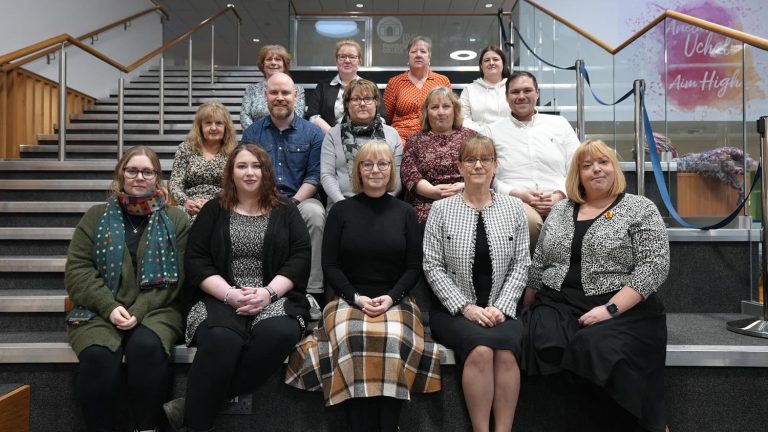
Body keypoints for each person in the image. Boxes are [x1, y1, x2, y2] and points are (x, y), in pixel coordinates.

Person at [286, 141, 441, 432]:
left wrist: (391, 298)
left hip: (397, 299)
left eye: (383, 163)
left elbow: (413, 267)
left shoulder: (405, 212)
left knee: (394, 337)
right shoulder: (341, 211)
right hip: (348, 298)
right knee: (352, 337)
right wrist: (356, 298)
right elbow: (330, 265)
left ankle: (389, 424)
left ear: (391, 170)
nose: (375, 170)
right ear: (358, 170)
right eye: (367, 164)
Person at [522, 139, 669, 432]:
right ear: (578, 175)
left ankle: (647, 424)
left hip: (623, 305)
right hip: (558, 301)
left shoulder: (639, 208)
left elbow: (654, 266)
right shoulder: (562, 209)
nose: (596, 170)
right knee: (540, 339)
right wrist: (526, 303)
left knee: (596, 348)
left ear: (614, 168)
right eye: (587, 165)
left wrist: (610, 309)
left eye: (602, 163)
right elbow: (539, 262)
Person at [164, 144, 311, 432]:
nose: (249, 172)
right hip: (220, 297)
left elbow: (300, 257)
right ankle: (198, 424)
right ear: (230, 171)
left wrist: (267, 293)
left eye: (256, 166)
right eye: (242, 165)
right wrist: (229, 294)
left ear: (266, 171)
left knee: (280, 333)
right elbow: (196, 260)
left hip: (274, 297)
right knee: (221, 341)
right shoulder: (213, 210)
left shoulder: (286, 210)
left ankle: (190, 405)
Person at [65, 146, 189, 432]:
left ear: (158, 178)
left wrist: (139, 309)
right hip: (99, 309)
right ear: (121, 174)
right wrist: (109, 308)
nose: (139, 177)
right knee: (97, 355)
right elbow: (78, 270)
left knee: (146, 347)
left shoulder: (176, 219)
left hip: (158, 307)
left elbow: (178, 277)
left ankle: (146, 427)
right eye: (132, 170)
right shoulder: (96, 217)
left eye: (147, 171)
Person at [423, 135, 530, 432]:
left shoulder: (514, 208)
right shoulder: (441, 210)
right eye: (470, 159)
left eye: (485, 159)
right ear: (459, 166)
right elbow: (432, 266)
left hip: (502, 307)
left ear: (496, 166)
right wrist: (466, 308)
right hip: (454, 311)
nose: (478, 165)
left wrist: (502, 306)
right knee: (481, 350)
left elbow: (522, 264)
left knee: (507, 351)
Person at [241, 72, 325, 296]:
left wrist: (292, 202)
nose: (280, 97)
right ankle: (257, 288)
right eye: (274, 92)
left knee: (316, 215)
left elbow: (314, 177)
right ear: (265, 96)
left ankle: (312, 292)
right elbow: (245, 174)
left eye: (285, 92)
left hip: (301, 200)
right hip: (260, 200)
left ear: (295, 96)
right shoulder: (252, 133)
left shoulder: (313, 133)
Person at [483, 71, 580, 251]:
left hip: (561, 198)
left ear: (537, 93)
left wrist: (560, 195)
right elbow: (486, 176)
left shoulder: (559, 124)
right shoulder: (491, 131)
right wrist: (516, 193)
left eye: (527, 90)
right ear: (506, 97)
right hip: (515, 202)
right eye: (515, 92)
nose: (521, 96)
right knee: (529, 223)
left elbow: (578, 166)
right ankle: (532, 277)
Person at [320, 79, 402, 208]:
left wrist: (384, 203)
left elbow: (396, 176)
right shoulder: (332, 135)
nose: (362, 104)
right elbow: (327, 175)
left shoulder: (392, 134)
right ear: (347, 103)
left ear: (376, 102)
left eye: (368, 98)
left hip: (384, 207)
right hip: (342, 204)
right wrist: (342, 203)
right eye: (356, 99)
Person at [400, 86, 476, 224]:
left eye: (446, 106)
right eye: (434, 107)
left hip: (467, 198)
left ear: (455, 110)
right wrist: (432, 191)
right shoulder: (414, 140)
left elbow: (485, 167)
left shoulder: (472, 137)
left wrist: (465, 187)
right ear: (426, 112)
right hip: (425, 203)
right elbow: (409, 173)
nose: (441, 112)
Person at [170, 101, 237, 221]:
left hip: (222, 204)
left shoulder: (234, 152)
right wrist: (186, 202)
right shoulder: (185, 148)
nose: (213, 128)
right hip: (189, 204)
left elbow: (237, 186)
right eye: (208, 123)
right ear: (200, 126)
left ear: (226, 127)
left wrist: (213, 203)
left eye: (219, 123)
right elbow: (175, 183)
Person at [305, 39, 387, 134]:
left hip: (366, 139)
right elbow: (312, 115)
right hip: (329, 138)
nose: (347, 61)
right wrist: (332, 134)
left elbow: (382, 117)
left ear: (359, 62)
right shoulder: (323, 87)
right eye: (342, 57)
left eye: (352, 57)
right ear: (336, 61)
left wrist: (365, 132)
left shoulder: (371, 86)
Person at [384, 35, 451, 143]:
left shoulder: (442, 81)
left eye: (423, 51)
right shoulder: (394, 83)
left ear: (429, 57)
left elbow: (449, 114)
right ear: (408, 57)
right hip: (401, 139)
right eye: (414, 51)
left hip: (435, 138)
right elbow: (387, 117)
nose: (418, 55)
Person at [240, 44, 306, 129]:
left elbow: (298, 115)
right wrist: (255, 135)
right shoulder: (251, 89)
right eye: (269, 59)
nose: (273, 63)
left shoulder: (297, 89)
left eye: (278, 59)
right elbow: (244, 116)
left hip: (288, 138)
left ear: (284, 65)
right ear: (262, 64)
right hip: (255, 139)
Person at [459, 46, 511, 132]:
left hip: (509, 138)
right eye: (487, 60)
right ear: (481, 66)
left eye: (495, 59)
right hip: (479, 140)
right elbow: (463, 118)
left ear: (503, 63)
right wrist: (484, 133)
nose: (491, 63)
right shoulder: (469, 89)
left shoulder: (513, 88)